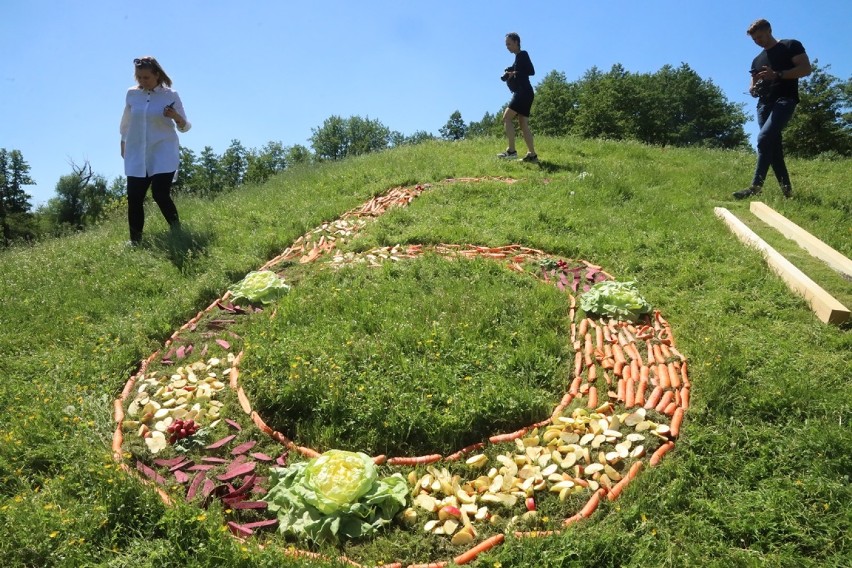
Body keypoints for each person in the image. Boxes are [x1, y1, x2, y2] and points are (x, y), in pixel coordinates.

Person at [733, 19, 811, 200]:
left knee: (764, 138)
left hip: (785, 100)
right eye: (754, 40)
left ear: (769, 30)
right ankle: (788, 193)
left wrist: (778, 74)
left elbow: (806, 69)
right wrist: (752, 88)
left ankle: (755, 186)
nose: (758, 41)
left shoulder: (790, 45)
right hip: (763, 105)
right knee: (773, 147)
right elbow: (753, 80)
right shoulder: (757, 59)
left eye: (760, 37)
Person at [119, 56, 191, 245]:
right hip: (136, 152)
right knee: (134, 198)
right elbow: (126, 121)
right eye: (139, 78)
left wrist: (175, 116)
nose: (143, 82)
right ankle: (135, 241)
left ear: (157, 75)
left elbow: (185, 126)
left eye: (146, 78)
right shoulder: (132, 94)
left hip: (163, 151)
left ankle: (177, 231)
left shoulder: (170, 95)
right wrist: (123, 141)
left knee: (160, 193)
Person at [497, 32, 538, 163]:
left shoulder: (522, 54)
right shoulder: (517, 58)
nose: (507, 46)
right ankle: (532, 155)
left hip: (523, 92)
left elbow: (531, 71)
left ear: (516, 42)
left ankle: (511, 151)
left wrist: (514, 72)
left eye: (509, 43)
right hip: (526, 92)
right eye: (506, 44)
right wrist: (511, 72)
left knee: (506, 117)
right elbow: (522, 71)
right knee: (523, 123)